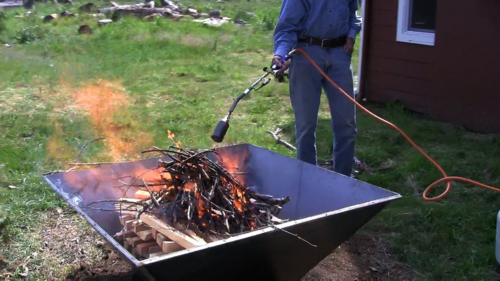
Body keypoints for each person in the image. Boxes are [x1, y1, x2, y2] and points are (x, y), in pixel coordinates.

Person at [272, 0, 362, 177]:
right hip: (307, 53)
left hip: (339, 55)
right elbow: (287, 27)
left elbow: (354, 15)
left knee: (347, 124)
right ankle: (308, 180)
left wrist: (351, 35)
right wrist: (280, 54)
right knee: (305, 125)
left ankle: (343, 180)